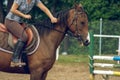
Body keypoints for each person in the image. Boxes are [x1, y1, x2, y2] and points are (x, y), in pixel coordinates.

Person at [5, 0, 57, 67]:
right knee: (24, 37)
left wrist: (51, 17)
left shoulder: (34, 1)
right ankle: (14, 60)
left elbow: (44, 8)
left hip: (20, 22)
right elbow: (13, 10)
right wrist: (24, 15)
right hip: (10, 21)